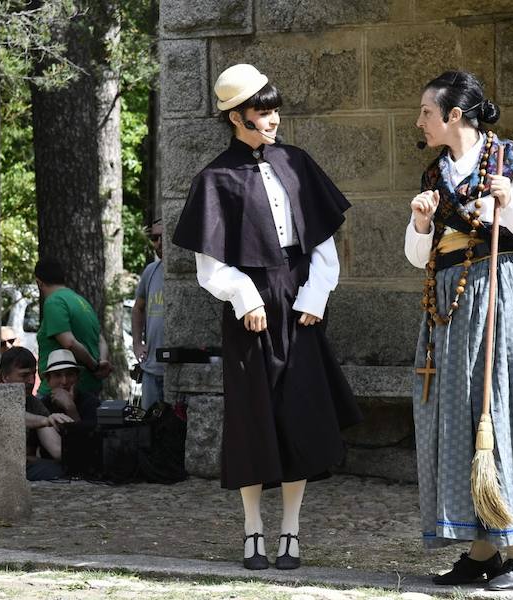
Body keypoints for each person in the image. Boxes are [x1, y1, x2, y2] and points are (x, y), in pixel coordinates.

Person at [173, 63, 362, 571]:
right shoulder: (214, 178)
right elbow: (210, 266)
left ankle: (291, 532)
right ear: (237, 117)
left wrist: (315, 297)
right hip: (249, 311)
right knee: (252, 417)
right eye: (263, 111)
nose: (273, 119)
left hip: (299, 305)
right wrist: (245, 298)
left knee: (298, 414)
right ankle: (253, 529)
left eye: (276, 110)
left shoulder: (298, 163)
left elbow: (323, 246)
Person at [404, 71, 513, 591]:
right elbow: (417, 259)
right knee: (461, 417)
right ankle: (482, 550)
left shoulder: (509, 162)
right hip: (453, 309)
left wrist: (509, 202)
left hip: (504, 297)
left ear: (455, 115)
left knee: (505, 411)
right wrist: (421, 224)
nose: (420, 121)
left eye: (427, 112)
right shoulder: (436, 177)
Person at [34, 258, 111, 396]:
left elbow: (69, 342)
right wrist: (103, 362)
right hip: (89, 388)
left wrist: (94, 366)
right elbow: (101, 340)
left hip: (62, 390)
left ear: (39, 282)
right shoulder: (81, 301)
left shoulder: (54, 302)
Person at [0, 346, 72, 480]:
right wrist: (46, 421)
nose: (32, 381)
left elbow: (57, 450)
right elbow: (14, 416)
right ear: (5, 377)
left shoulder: (32, 402)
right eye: (24, 375)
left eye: (33, 374)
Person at [132, 217, 166, 410]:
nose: (159, 243)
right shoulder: (151, 271)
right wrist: (137, 344)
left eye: (163, 236)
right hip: (151, 370)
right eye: (154, 238)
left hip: (177, 372)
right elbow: (138, 308)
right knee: (149, 432)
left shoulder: (191, 273)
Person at [37, 348, 100, 423]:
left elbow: (87, 433)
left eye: (69, 374)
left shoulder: (91, 403)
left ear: (78, 378)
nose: (64, 381)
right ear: (48, 381)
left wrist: (70, 407)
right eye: (57, 375)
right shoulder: (41, 406)